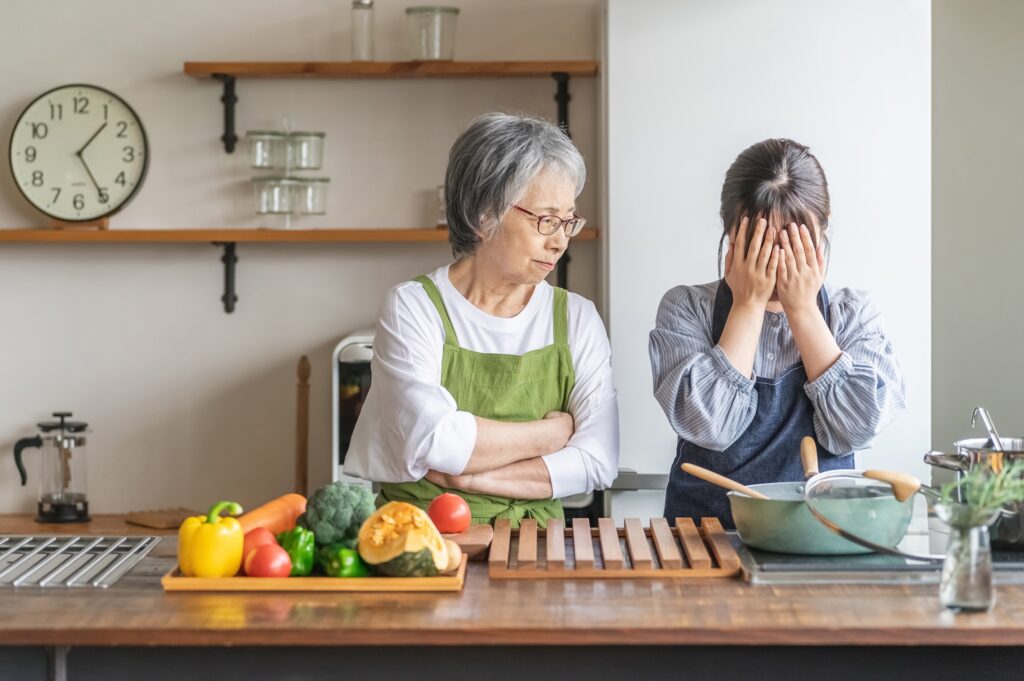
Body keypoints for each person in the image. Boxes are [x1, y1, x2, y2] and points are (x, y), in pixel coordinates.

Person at [345, 113, 619, 528]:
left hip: (537, 543)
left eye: (568, 222)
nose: (560, 240)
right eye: (545, 220)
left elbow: (597, 460)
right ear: (484, 214)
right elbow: (434, 440)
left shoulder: (577, 317)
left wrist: (468, 474)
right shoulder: (414, 307)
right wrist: (549, 436)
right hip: (420, 539)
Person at [649, 138, 906, 527]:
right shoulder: (686, 308)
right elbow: (709, 426)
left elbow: (856, 429)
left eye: (793, 243)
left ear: (821, 235)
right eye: (760, 242)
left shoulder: (853, 313)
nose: (776, 260)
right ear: (730, 234)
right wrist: (748, 305)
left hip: (819, 533)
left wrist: (802, 310)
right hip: (704, 537)